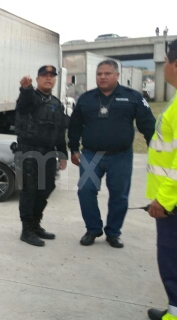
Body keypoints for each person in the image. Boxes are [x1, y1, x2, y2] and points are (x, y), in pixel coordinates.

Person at [68, 59, 156, 248]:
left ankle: (113, 233)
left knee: (120, 196)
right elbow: (74, 125)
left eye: (107, 73)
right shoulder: (86, 98)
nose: (103, 77)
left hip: (121, 156)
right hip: (92, 155)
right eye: (99, 74)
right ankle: (93, 229)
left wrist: (154, 149)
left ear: (117, 75)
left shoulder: (132, 97)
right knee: (85, 191)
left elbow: (148, 124)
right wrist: (73, 149)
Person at [13, 65, 69, 247]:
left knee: (46, 188)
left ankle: (36, 225)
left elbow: (60, 131)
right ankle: (26, 230)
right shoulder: (30, 98)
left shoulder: (56, 103)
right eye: (44, 75)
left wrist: (62, 154)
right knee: (29, 191)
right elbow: (23, 104)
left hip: (49, 152)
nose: (48, 78)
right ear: (37, 79)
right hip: (29, 151)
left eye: (52, 76)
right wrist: (25, 89)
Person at [147, 39, 177, 320]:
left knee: (172, 259)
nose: (164, 67)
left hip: (173, 202)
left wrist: (164, 200)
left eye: (166, 61)